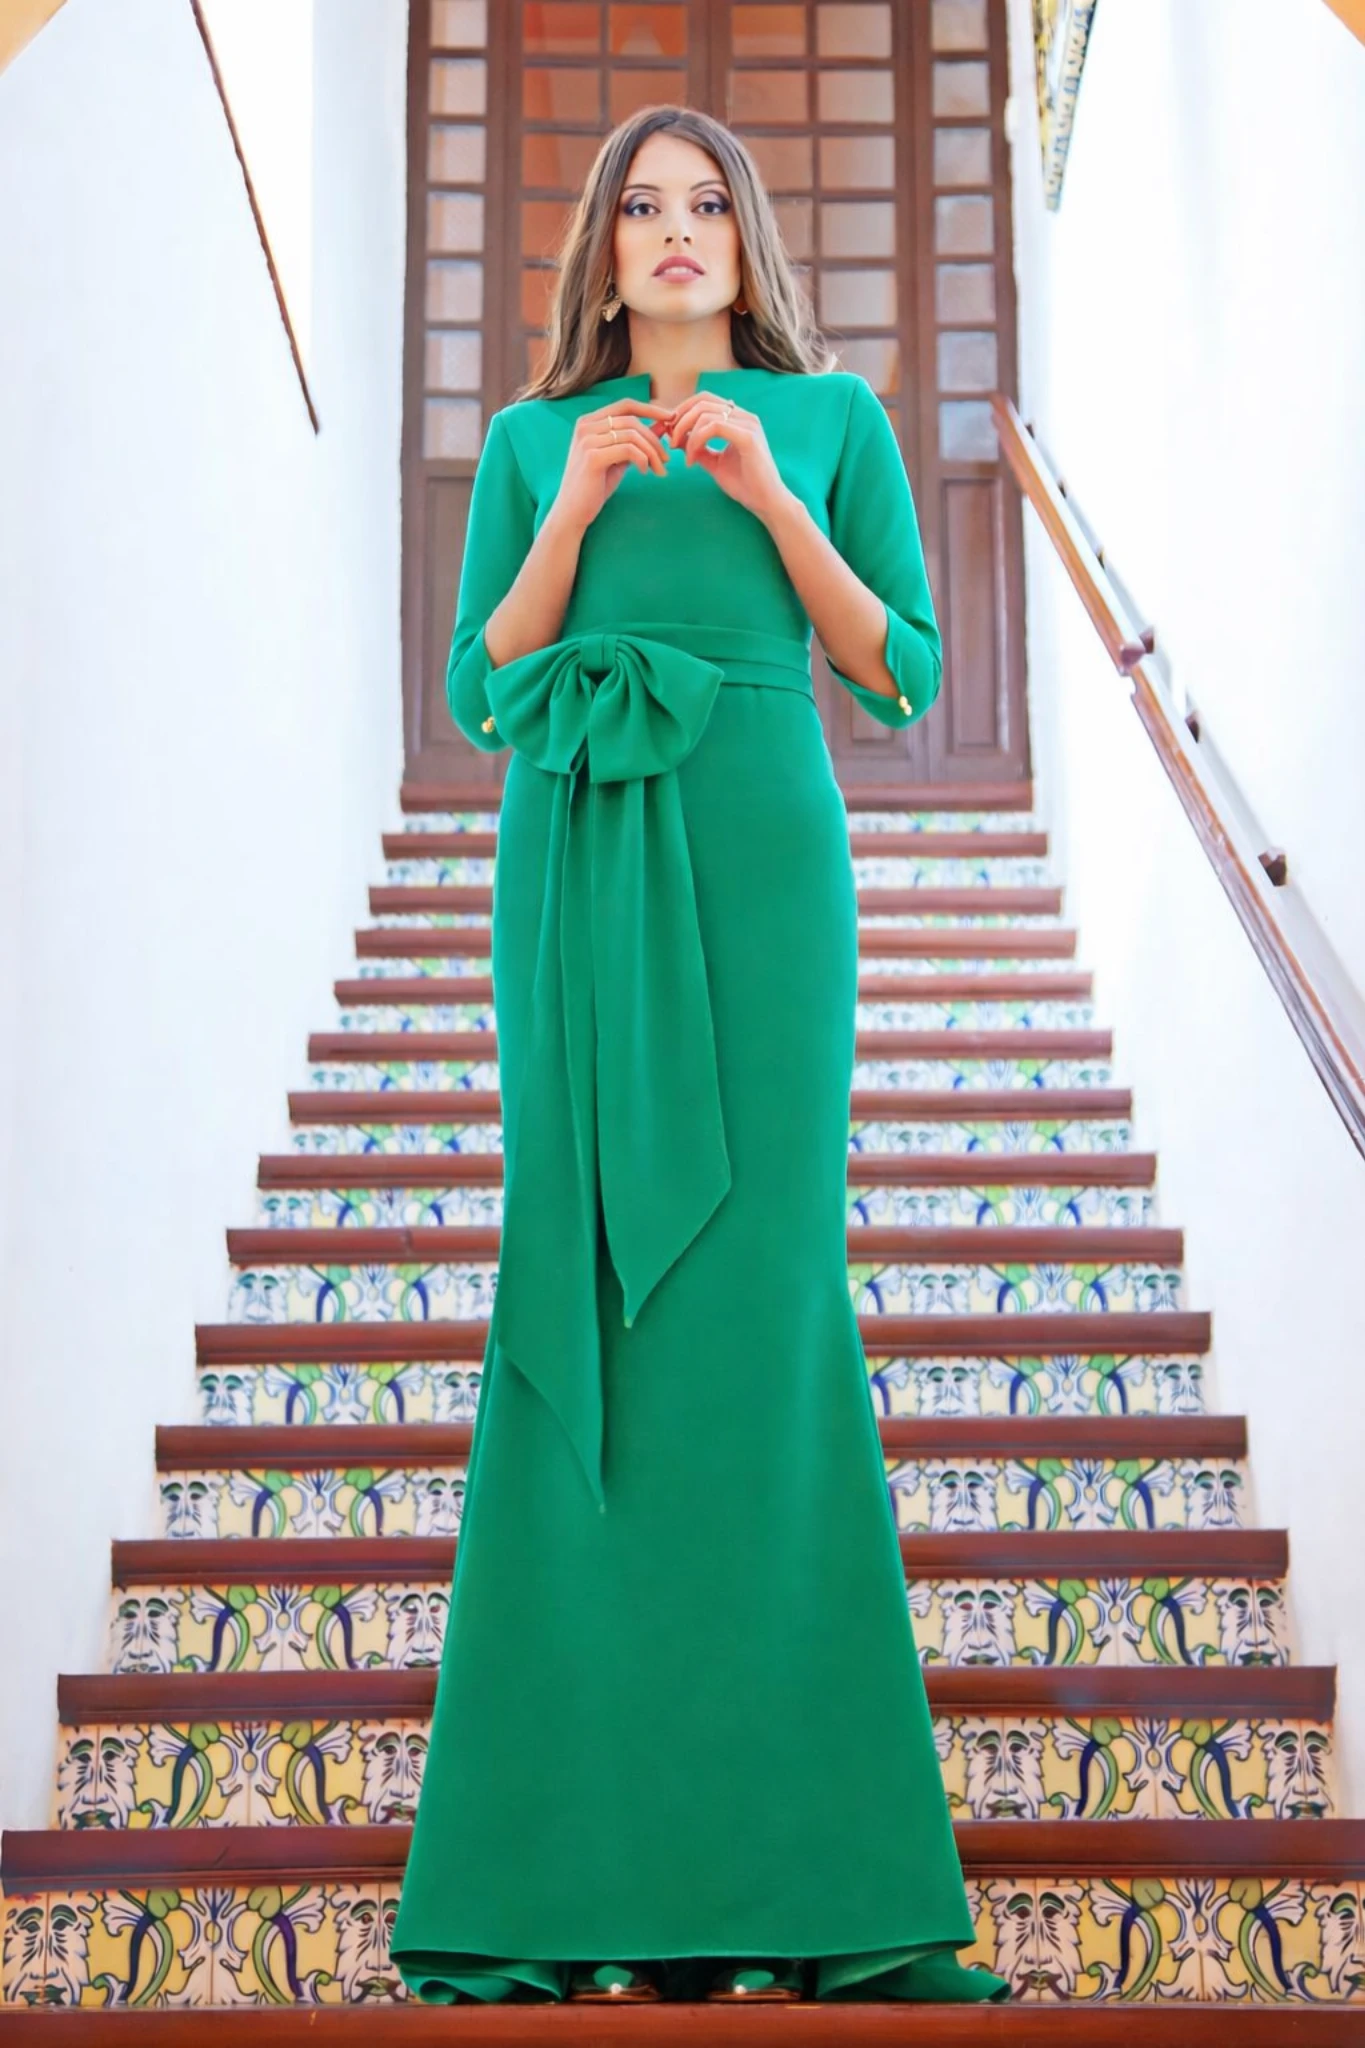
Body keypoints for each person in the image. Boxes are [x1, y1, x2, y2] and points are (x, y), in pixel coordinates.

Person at [389, 102, 1010, 2009]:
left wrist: (767, 498)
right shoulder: (531, 442)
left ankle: (817, 1898)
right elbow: (483, 689)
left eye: (707, 205)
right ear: (602, 247)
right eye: (642, 206)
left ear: (747, 240)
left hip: (762, 856)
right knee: (584, 1310)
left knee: (766, 1315)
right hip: (579, 859)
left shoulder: (831, 421)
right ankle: (560, 1893)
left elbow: (904, 668)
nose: (676, 232)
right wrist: (574, 510)